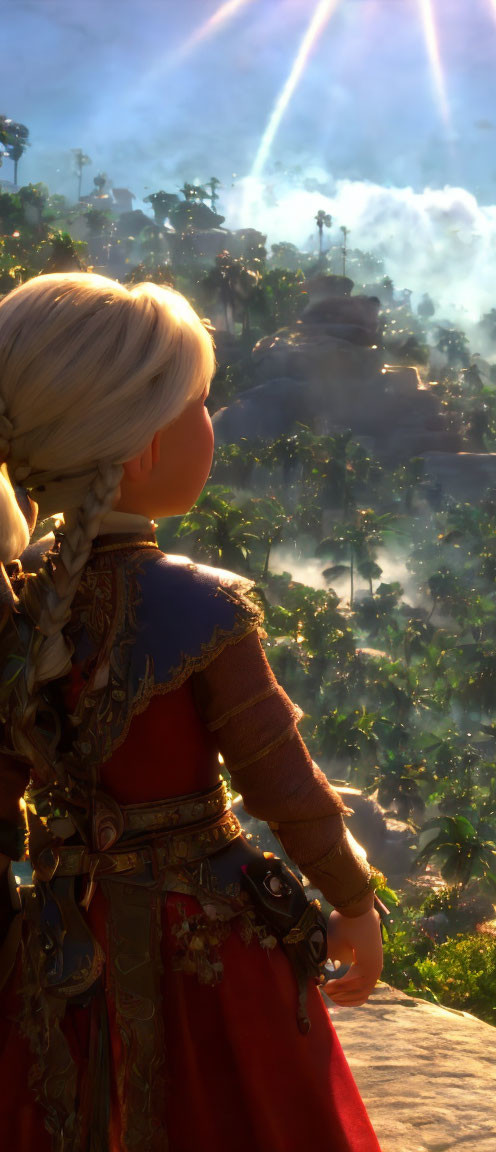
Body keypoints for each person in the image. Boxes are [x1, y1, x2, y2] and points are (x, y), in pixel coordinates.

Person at [0, 272, 384, 1152]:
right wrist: (354, 900)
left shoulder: (19, 612)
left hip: (63, 941)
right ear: (141, 448)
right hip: (203, 948)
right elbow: (280, 776)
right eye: (199, 405)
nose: (212, 427)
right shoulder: (203, 609)